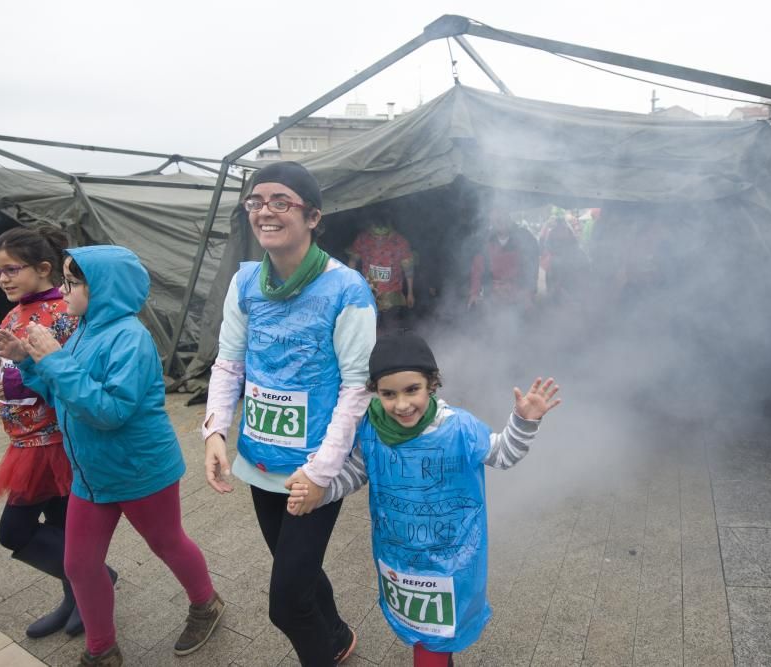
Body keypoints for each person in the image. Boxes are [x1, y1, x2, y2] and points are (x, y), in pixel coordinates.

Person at [0, 246, 222, 667]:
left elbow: (108, 412)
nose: (63, 289)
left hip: (140, 470)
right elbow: (63, 394)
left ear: (104, 289)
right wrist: (30, 364)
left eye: (72, 283)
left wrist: (55, 360)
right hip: (90, 474)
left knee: (167, 543)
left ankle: (206, 604)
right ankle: (101, 650)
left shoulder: (131, 338)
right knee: (79, 564)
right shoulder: (84, 329)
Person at [287, 332, 561, 665]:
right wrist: (321, 492)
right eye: (388, 394)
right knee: (423, 636)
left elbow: (502, 454)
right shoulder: (372, 428)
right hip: (401, 562)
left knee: (433, 646)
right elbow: (356, 473)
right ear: (375, 392)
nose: (401, 405)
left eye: (411, 390)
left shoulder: (459, 428)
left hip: (451, 565)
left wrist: (524, 420)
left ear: (431, 383)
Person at [202, 161, 376, 665]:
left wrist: (322, 472)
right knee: (292, 566)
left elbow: (356, 388)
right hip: (260, 458)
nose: (266, 212)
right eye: (256, 202)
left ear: (313, 216)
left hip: (314, 467)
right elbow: (230, 362)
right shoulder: (246, 283)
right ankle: (339, 635)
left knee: (286, 604)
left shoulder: (347, 290)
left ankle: (321, 652)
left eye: (282, 202)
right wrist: (216, 430)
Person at [0, 226, 103, 640]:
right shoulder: (14, 315)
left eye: (11, 269)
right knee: (62, 530)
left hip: (56, 443)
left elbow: (75, 376)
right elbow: (2, 374)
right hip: (25, 443)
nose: (3, 279)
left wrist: (18, 383)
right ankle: (78, 595)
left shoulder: (64, 313)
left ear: (44, 268)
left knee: (15, 531)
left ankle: (97, 581)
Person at [347, 214, 415, 332]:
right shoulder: (363, 239)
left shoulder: (399, 242)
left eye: (383, 236)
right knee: (369, 330)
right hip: (369, 295)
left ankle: (391, 347)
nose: (379, 240)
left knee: (392, 329)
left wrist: (410, 293)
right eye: (376, 236)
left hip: (392, 296)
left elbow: (408, 268)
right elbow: (352, 261)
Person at [467, 208, 539, 312]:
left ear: (509, 218)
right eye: (496, 220)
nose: (501, 222)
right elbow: (477, 270)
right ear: (492, 221)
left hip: (519, 294)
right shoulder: (485, 239)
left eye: (503, 217)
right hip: (493, 294)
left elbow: (532, 268)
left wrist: (529, 293)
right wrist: (474, 293)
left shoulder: (525, 237)